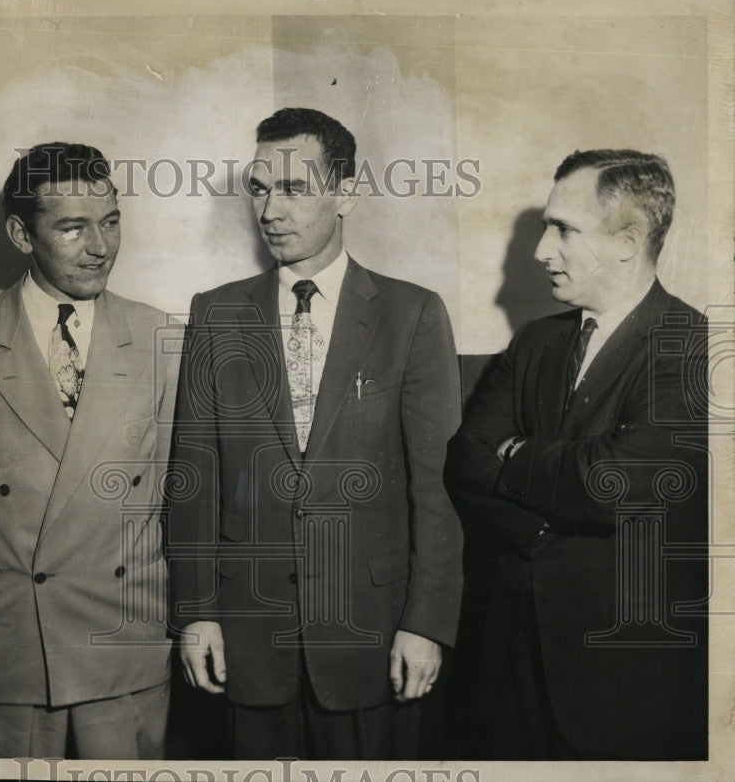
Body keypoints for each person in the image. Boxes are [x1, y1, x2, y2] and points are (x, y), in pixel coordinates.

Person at [166, 107, 464, 760]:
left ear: (346, 193)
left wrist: (426, 624)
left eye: (295, 188)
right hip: (248, 641)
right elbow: (194, 478)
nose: (271, 210)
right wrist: (197, 612)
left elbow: (438, 490)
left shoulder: (411, 314)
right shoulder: (216, 314)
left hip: (374, 640)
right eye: (260, 188)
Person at [444, 149, 708, 759]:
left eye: (564, 228)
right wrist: (563, 479)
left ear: (628, 240)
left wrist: (515, 455)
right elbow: (464, 462)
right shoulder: (536, 341)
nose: (541, 250)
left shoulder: (694, 349)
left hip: (627, 689)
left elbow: (614, 480)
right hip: (509, 669)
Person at [0, 143, 180, 759]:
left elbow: (185, 500)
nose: (101, 247)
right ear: (20, 232)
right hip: (8, 652)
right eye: (72, 227)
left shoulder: (163, 338)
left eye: (111, 221)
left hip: (123, 650)